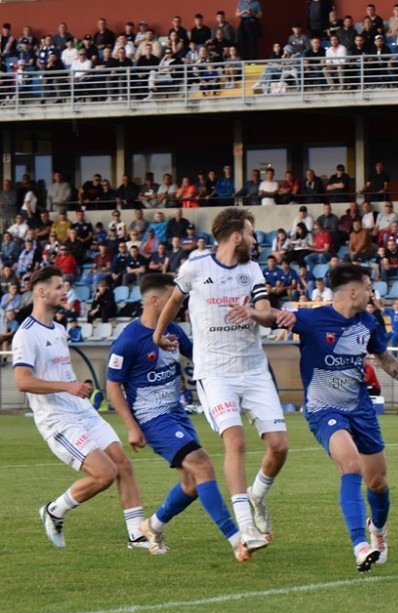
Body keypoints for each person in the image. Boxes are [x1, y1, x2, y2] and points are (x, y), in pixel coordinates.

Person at [273, 264, 398, 571]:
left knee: (378, 482)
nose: (373, 292)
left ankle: (378, 530)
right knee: (350, 465)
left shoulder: (369, 322)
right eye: (369, 286)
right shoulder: (312, 318)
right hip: (324, 409)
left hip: (360, 410)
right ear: (353, 291)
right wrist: (252, 311)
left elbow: (384, 358)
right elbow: (270, 316)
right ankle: (360, 545)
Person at [153, 207, 288, 554]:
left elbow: (267, 315)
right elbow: (174, 301)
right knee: (236, 441)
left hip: (253, 370)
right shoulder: (196, 266)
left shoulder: (252, 269)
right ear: (236, 236)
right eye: (251, 234)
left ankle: (257, 495)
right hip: (215, 372)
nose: (255, 241)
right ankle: (246, 526)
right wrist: (158, 333)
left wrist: (252, 312)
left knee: (279, 446)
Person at [105, 273, 250, 560]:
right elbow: (112, 386)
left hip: (177, 413)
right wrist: (131, 428)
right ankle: (237, 540)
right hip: (152, 417)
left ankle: (151, 527)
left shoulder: (172, 330)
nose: (178, 302)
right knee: (203, 464)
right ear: (154, 300)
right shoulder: (128, 341)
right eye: (172, 297)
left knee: (192, 484)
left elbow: (199, 357)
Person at [13, 266, 149, 549]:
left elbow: (60, 373)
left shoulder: (59, 330)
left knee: (123, 464)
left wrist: (77, 387)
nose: (65, 291)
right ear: (42, 292)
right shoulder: (26, 334)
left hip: (81, 410)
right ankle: (54, 510)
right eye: (59, 287)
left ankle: (137, 536)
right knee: (105, 473)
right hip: (57, 419)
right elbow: (23, 381)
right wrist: (67, 387)